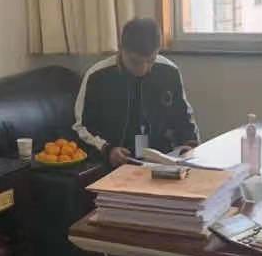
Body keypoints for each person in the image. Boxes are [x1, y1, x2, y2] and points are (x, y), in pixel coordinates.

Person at [74, 18, 199, 167]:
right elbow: (82, 127)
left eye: (151, 60)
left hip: (163, 159)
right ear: (121, 49)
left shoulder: (169, 72)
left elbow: (184, 117)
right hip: (115, 161)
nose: (143, 69)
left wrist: (189, 145)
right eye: (135, 62)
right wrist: (107, 150)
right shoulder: (97, 76)